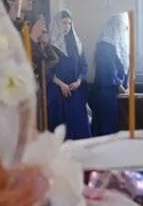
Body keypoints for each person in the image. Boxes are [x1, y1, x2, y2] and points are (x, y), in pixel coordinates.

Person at [46, 10, 91, 139]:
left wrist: (78, 81)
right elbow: (46, 71)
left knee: (78, 130)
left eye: (69, 23)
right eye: (64, 23)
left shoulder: (76, 44)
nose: (67, 26)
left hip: (75, 93)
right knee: (60, 131)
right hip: (57, 93)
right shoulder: (50, 45)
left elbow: (84, 66)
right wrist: (61, 85)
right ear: (57, 24)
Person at [88, 14, 130, 136]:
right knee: (107, 125)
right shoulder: (105, 44)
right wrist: (119, 85)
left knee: (114, 124)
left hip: (114, 92)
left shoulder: (118, 44)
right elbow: (107, 68)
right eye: (121, 27)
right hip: (105, 92)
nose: (123, 30)